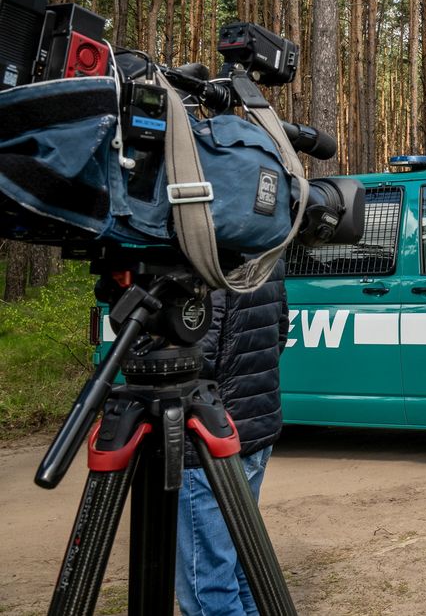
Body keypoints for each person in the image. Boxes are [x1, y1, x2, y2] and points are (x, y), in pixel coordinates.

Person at [176, 259, 289, 616]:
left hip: (209, 438)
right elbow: (280, 331)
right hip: (254, 427)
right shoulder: (265, 242)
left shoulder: (204, 256)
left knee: (207, 584)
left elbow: (195, 355)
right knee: (245, 568)